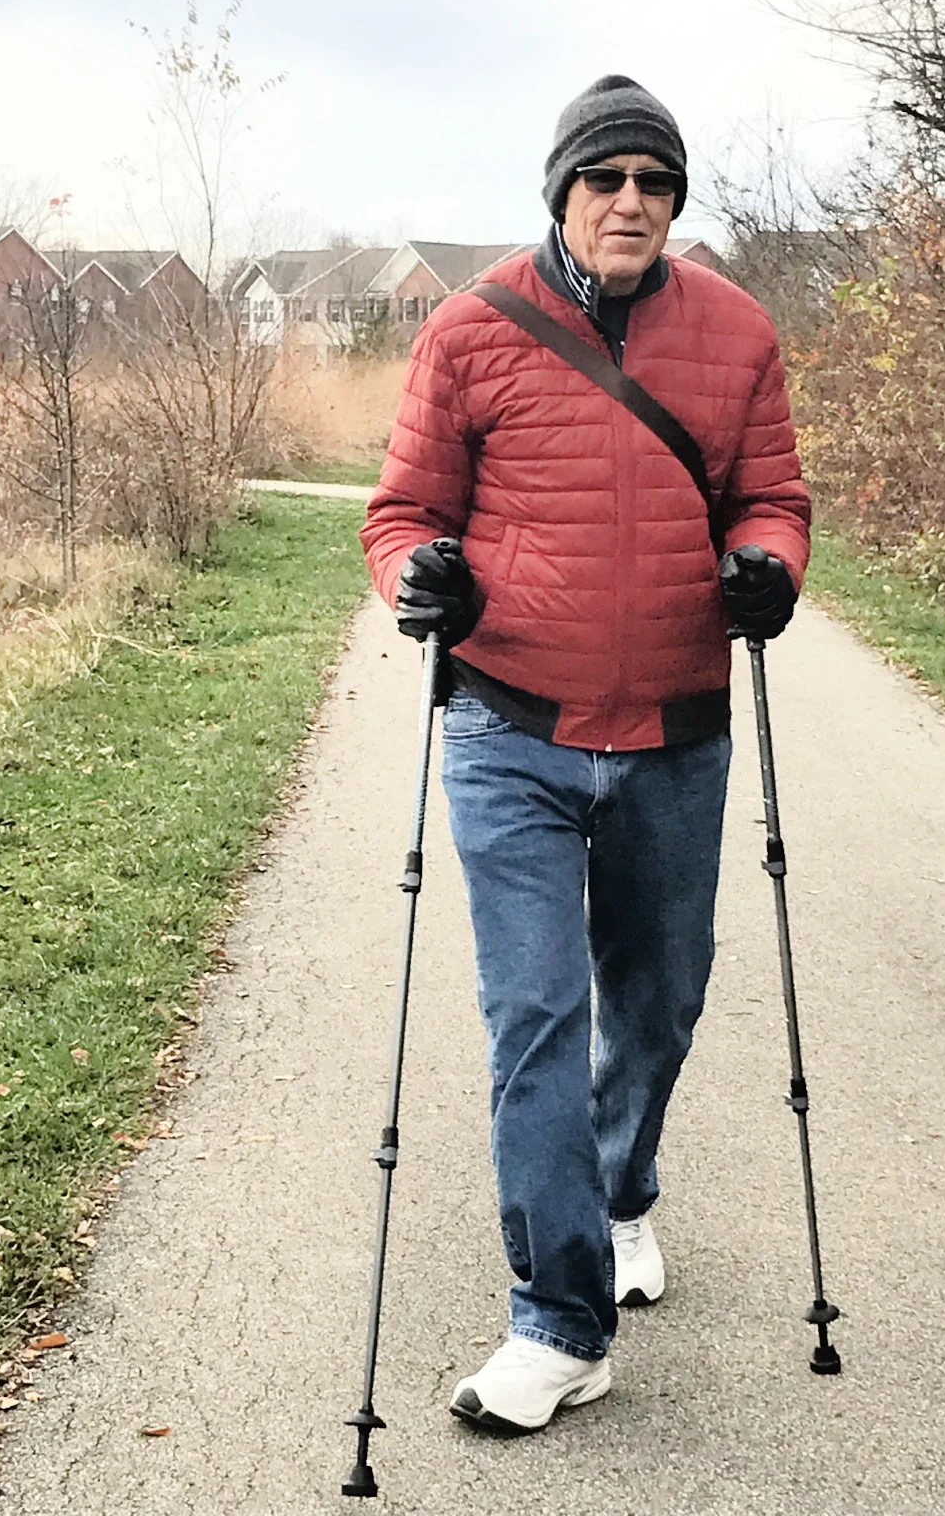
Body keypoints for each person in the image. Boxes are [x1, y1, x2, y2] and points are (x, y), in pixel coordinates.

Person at [360, 73, 810, 1434]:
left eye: (655, 183)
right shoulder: (472, 328)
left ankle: (620, 1197)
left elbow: (771, 498)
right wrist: (417, 580)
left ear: (676, 202)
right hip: (511, 730)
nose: (630, 202)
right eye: (605, 177)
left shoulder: (734, 334)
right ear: (561, 190)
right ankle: (560, 1322)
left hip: (677, 733)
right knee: (539, 1016)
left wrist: (766, 570)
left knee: (659, 1002)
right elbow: (402, 514)